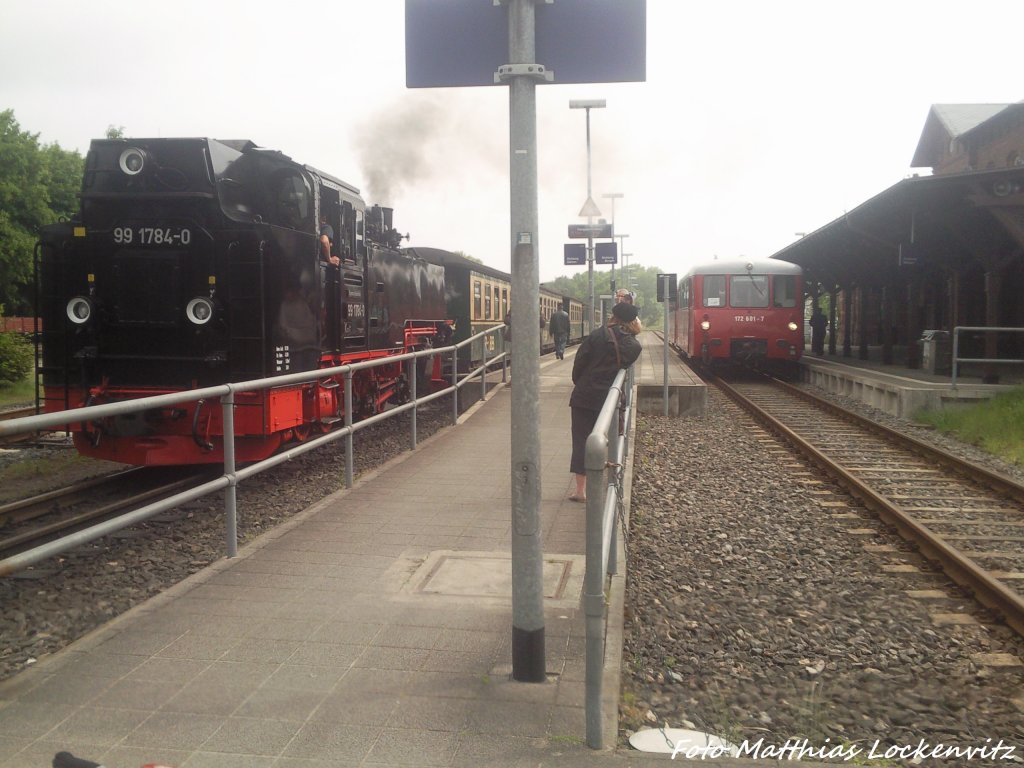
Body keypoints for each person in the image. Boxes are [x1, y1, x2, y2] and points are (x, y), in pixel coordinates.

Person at [568, 302, 642, 502]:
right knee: (607, 438)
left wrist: (581, 382)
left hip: (585, 396)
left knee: (582, 440)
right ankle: (609, 482)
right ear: (633, 320)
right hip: (610, 399)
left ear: (613, 316)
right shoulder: (634, 345)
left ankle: (581, 490)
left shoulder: (597, 335)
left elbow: (579, 364)